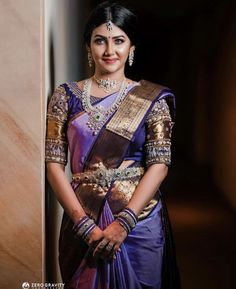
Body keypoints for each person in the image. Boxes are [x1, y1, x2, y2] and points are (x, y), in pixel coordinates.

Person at [45, 1, 180, 288]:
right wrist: (84, 225)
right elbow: (54, 165)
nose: (109, 50)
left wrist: (124, 223)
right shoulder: (64, 97)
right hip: (83, 219)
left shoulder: (151, 100)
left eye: (119, 41)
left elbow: (159, 165)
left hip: (139, 223)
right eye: (100, 41)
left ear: (131, 48)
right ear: (88, 46)